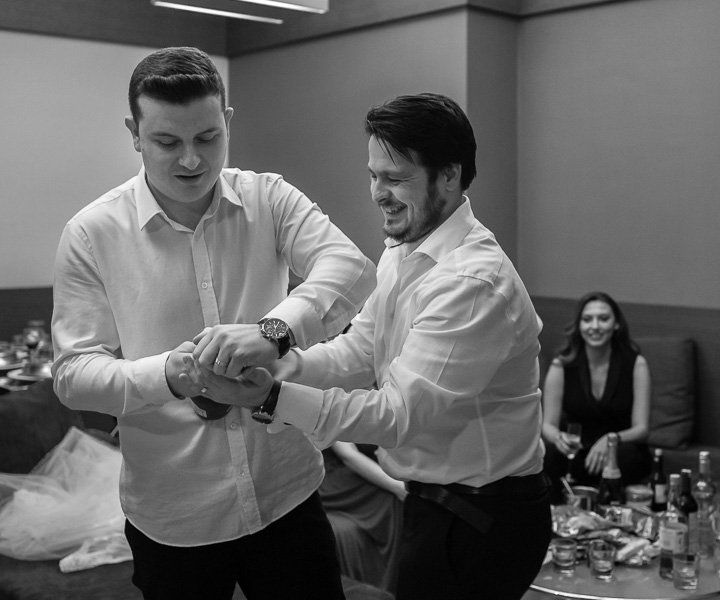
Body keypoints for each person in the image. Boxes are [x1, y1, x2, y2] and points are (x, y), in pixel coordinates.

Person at [194, 92, 552, 600]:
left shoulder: (472, 281)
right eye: (373, 174)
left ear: (448, 176)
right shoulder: (404, 249)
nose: (377, 193)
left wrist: (268, 400)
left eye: (395, 178)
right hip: (434, 501)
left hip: (486, 515)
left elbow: (397, 415)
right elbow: (361, 351)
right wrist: (281, 367)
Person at [51, 46, 376, 600]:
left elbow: (351, 268)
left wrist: (274, 330)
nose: (191, 162)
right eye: (166, 142)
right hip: (176, 514)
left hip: (286, 491)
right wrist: (169, 375)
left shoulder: (269, 198)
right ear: (134, 132)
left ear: (226, 121)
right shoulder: (91, 234)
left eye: (207, 138)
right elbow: (73, 374)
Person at [540, 291, 652, 502]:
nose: (595, 326)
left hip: (620, 449)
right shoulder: (561, 365)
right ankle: (556, 521)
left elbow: (642, 430)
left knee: (625, 458)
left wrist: (610, 441)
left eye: (603, 319)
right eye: (587, 319)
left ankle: (611, 520)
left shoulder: (636, 364)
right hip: (578, 450)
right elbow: (547, 425)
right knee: (549, 455)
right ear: (579, 325)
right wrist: (558, 438)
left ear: (616, 324)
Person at [319, 441, 405, 593]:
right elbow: (348, 455)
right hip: (332, 477)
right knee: (390, 497)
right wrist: (399, 488)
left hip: (350, 470)